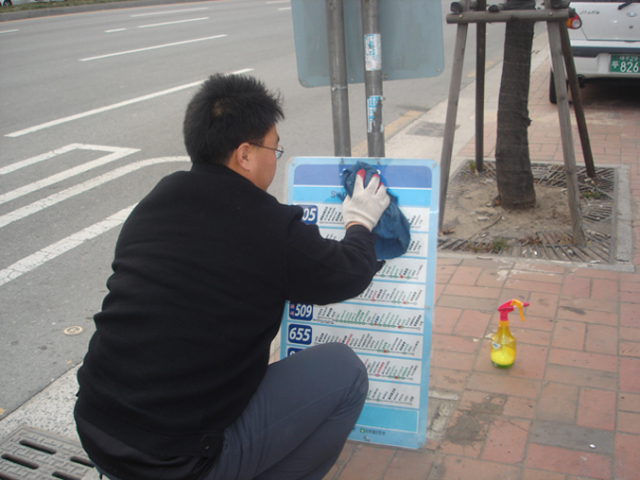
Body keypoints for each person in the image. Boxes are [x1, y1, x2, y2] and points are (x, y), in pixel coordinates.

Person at [74, 73, 390, 480]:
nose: (276, 157)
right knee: (345, 372)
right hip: (176, 459)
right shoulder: (269, 226)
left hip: (97, 425)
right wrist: (360, 223)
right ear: (245, 154)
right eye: (274, 148)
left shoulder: (157, 200)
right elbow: (347, 273)